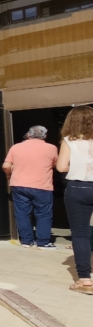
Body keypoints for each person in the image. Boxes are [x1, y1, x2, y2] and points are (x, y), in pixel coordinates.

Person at [4, 125, 59, 249]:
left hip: (19, 184)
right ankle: (43, 242)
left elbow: (6, 166)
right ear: (45, 136)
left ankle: (26, 241)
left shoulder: (16, 147)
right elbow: (56, 165)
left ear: (28, 134)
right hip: (42, 186)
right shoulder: (51, 148)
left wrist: (9, 176)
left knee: (22, 213)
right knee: (43, 214)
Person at [57, 107, 93, 294]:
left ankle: (85, 280)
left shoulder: (69, 141)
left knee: (80, 234)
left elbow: (61, 167)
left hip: (78, 188)